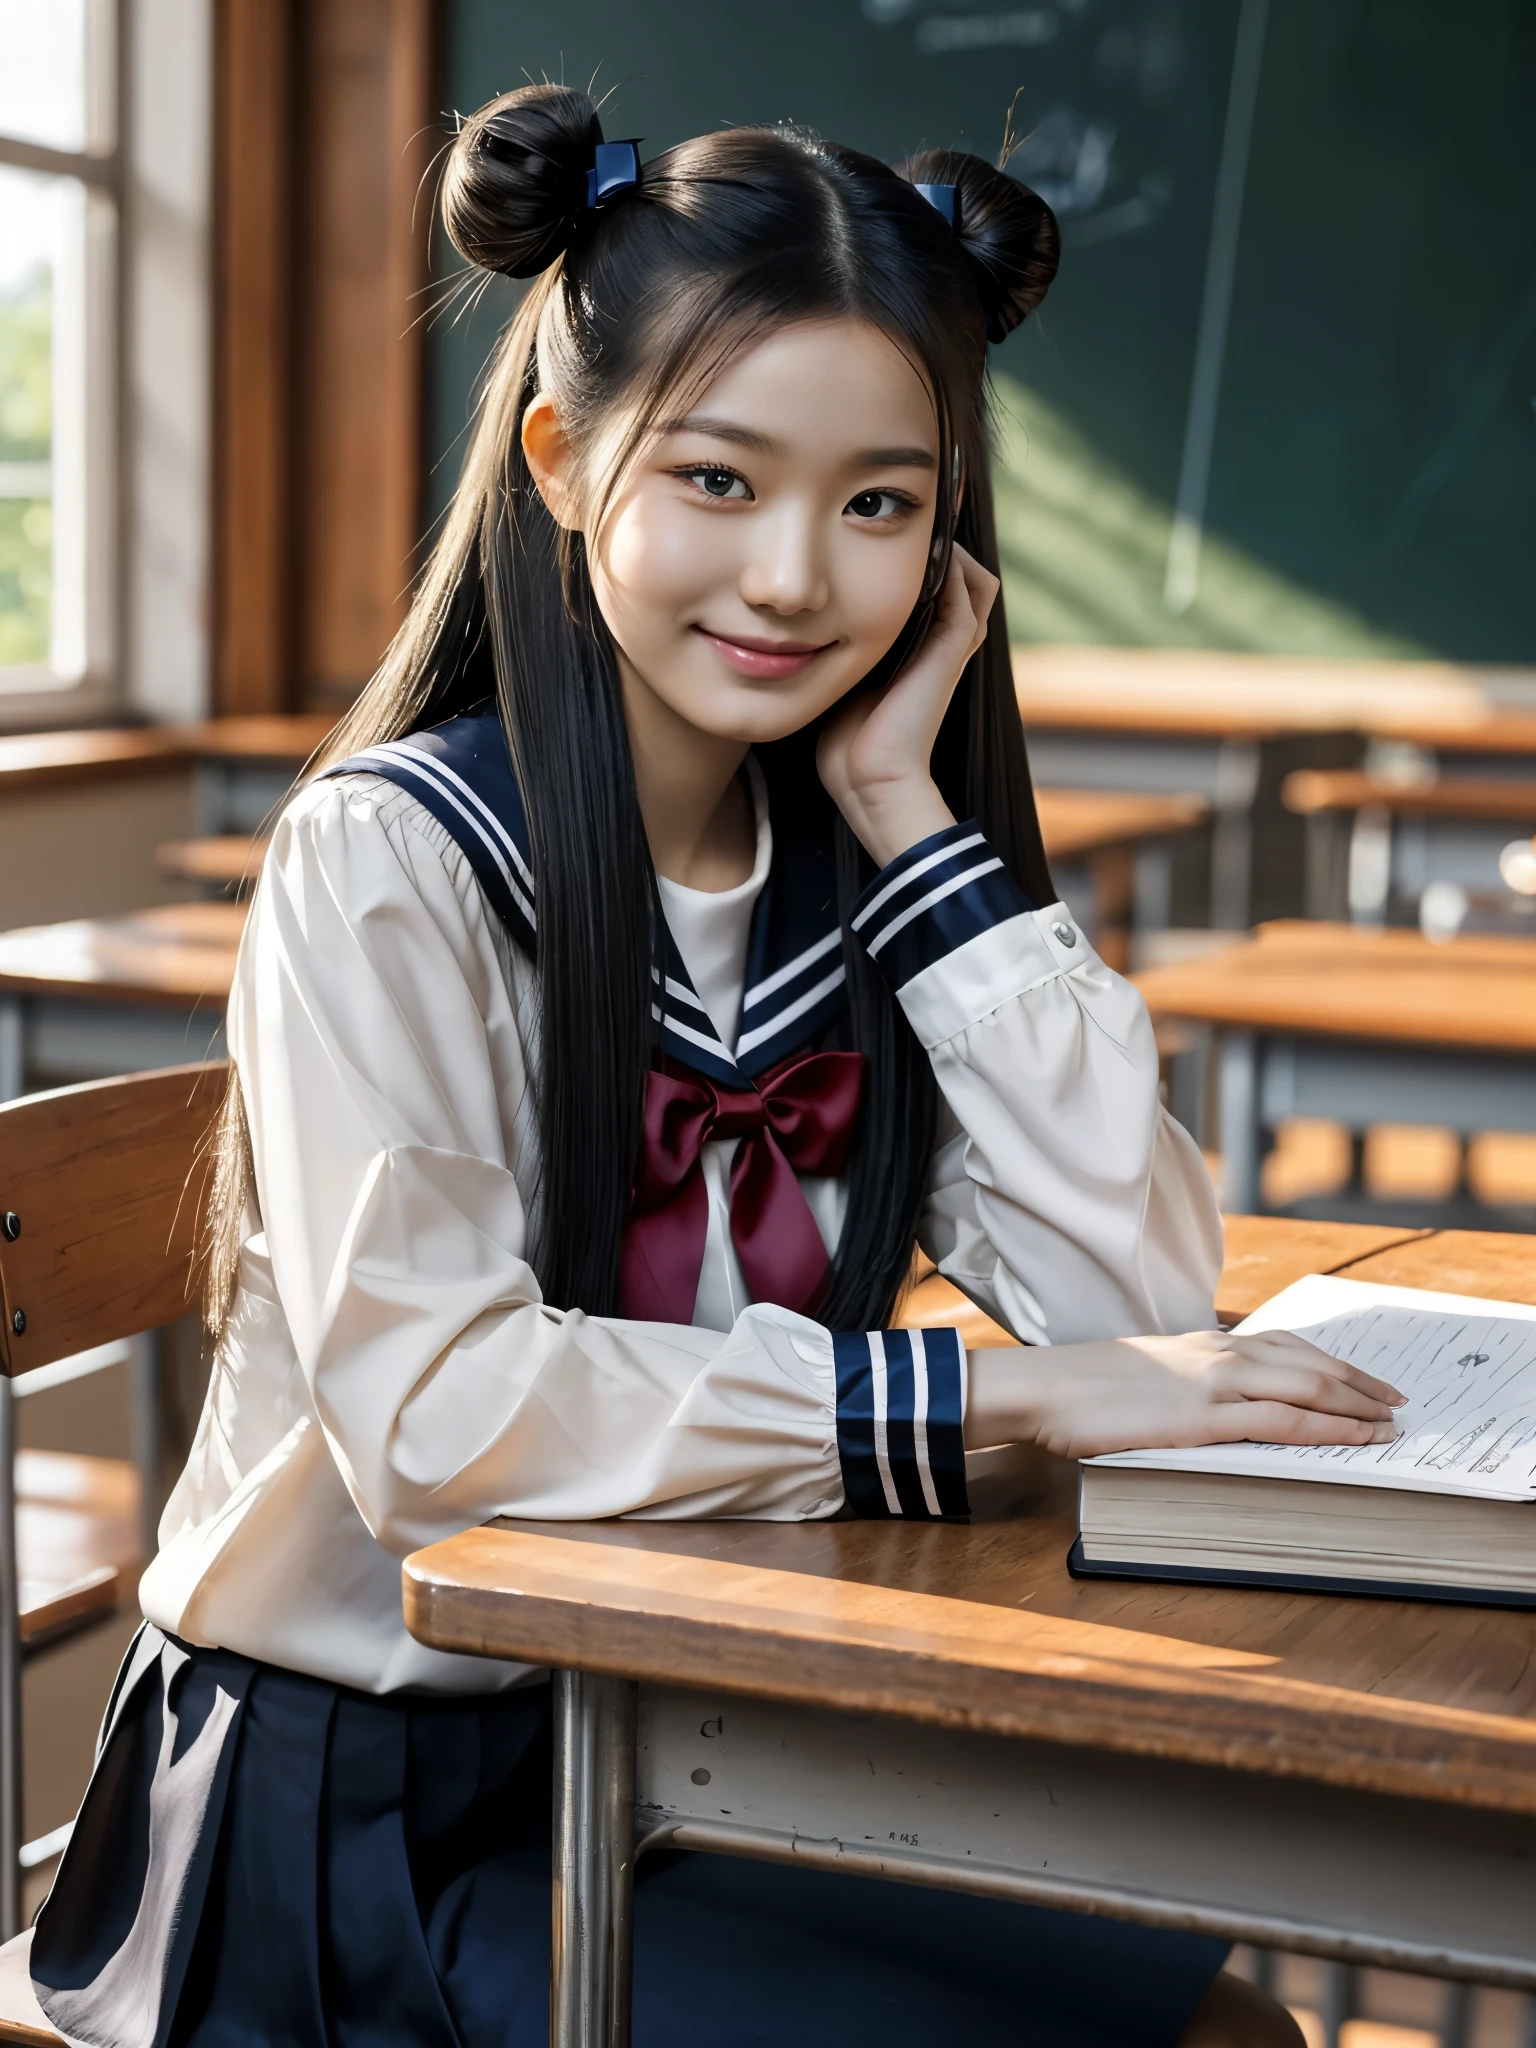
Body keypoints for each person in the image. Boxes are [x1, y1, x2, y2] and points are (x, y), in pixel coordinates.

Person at [31, 87, 1400, 2048]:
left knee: (1233, 2028)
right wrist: (1019, 1400)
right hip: (356, 1832)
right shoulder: (394, 863)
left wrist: (917, 834)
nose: (792, 579)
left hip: (693, 1746)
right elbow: (442, 1419)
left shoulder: (846, 876)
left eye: (878, 503)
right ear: (567, 462)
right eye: (722, 480)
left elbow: (1144, 1312)